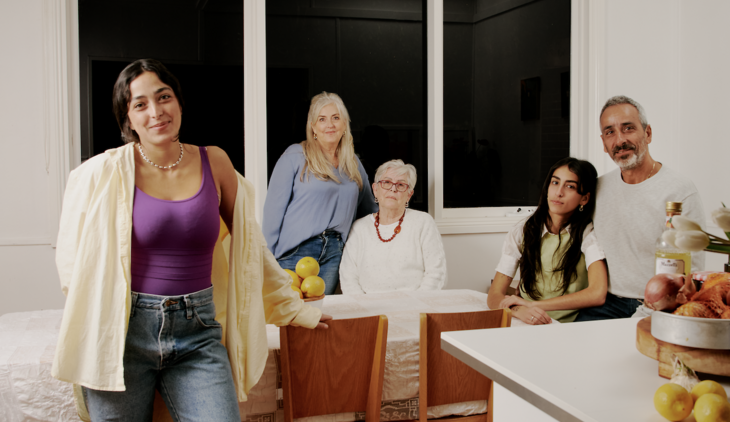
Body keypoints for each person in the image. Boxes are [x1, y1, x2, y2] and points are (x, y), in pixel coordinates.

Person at [51, 59, 331, 421]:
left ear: (179, 102)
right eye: (140, 104)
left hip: (197, 334)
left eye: (163, 97)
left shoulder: (214, 163)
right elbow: (75, 263)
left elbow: (251, 249)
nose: (156, 111)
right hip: (120, 337)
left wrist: (293, 308)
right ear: (128, 119)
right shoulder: (102, 173)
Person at [576, 95, 706, 321]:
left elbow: (691, 270)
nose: (619, 140)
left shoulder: (680, 191)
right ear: (604, 144)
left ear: (648, 133)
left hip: (663, 305)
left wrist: (651, 309)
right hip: (608, 303)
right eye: (610, 132)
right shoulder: (598, 188)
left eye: (628, 128)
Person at [263, 92, 378, 295]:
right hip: (296, 252)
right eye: (322, 119)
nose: (330, 125)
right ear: (313, 127)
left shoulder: (352, 162)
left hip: (335, 253)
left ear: (344, 124)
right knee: (291, 318)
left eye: (336, 118)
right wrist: (266, 263)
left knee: (322, 316)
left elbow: (369, 208)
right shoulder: (294, 156)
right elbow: (272, 215)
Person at [487, 157, 607, 324]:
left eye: (570, 186)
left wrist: (532, 304)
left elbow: (598, 293)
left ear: (584, 199)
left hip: (568, 328)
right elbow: (494, 295)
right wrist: (517, 310)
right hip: (525, 321)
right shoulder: (522, 231)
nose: (559, 192)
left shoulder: (588, 234)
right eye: (555, 183)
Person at [339, 160, 446, 293]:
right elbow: (348, 277)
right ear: (375, 190)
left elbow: (436, 273)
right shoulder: (359, 228)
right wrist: (364, 308)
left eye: (401, 184)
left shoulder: (423, 222)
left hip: (414, 307)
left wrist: (416, 305)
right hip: (368, 307)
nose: (393, 189)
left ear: (409, 195)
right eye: (387, 182)